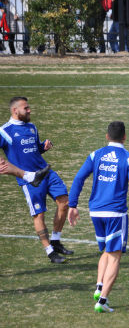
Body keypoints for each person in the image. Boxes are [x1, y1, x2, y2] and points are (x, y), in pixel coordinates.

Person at [68, 121, 129, 312]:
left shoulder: (96, 155)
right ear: (125, 137)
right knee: (115, 256)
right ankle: (102, 302)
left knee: (106, 252)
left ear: (107, 136)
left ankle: (99, 286)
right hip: (116, 213)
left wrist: (72, 205)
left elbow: (78, 178)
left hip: (96, 211)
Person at [0, 97, 72, 264]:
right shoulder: (4, 131)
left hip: (46, 172)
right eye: (26, 108)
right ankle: (50, 252)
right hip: (29, 180)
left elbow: (35, 149)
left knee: (65, 202)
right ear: (15, 110)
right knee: (39, 214)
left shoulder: (32, 127)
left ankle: (56, 241)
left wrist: (43, 147)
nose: (30, 110)